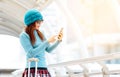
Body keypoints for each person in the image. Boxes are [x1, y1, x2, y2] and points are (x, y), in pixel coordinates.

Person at [19, 9, 63, 77]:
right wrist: (47, 41)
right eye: (38, 22)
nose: (40, 24)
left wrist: (58, 41)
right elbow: (31, 53)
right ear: (31, 22)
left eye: (41, 22)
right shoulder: (24, 36)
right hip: (32, 69)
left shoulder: (41, 33)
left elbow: (48, 50)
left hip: (43, 69)